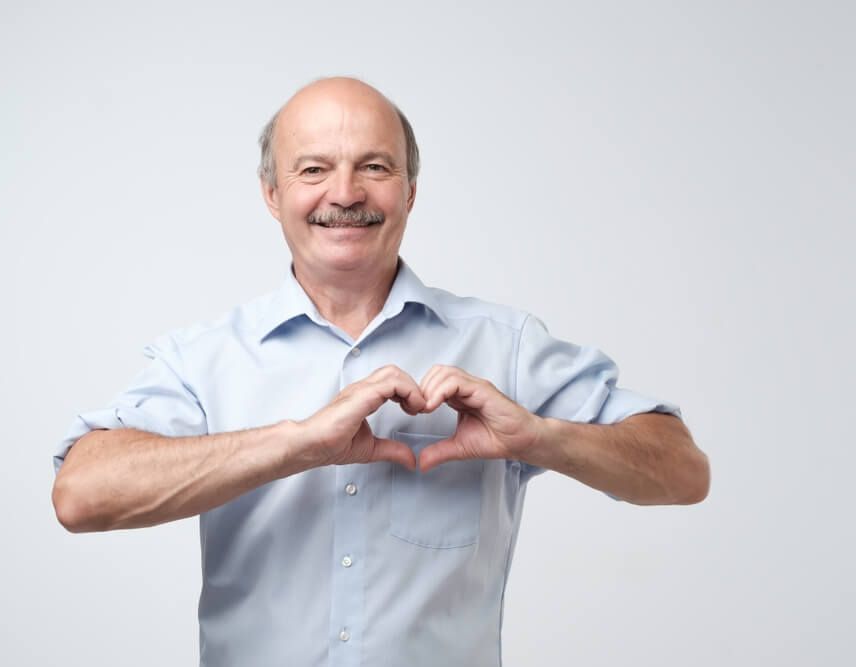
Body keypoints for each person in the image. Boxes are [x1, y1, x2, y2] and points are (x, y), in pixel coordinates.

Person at [51, 76, 709, 666]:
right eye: (314, 169)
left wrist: (538, 436)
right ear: (273, 194)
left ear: (410, 192)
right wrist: (298, 442)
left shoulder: (502, 345)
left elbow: (683, 470)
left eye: (374, 166)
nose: (345, 193)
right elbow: (81, 495)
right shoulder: (204, 357)